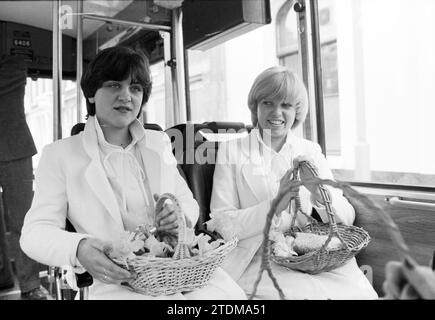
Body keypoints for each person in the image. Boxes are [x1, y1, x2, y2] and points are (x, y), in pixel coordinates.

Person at [20, 46, 246, 300]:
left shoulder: (159, 142)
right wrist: (79, 248)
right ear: (92, 93)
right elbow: (34, 233)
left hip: (180, 268)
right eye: (115, 85)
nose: (126, 96)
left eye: (135, 88)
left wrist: (178, 217)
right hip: (115, 278)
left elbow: (188, 204)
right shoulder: (60, 155)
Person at [209, 66, 378, 299]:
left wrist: (321, 194)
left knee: (361, 294)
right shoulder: (231, 151)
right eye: (268, 103)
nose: (276, 113)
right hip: (258, 259)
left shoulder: (309, 150)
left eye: (286, 105)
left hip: (314, 257)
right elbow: (221, 223)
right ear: (255, 106)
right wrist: (274, 206)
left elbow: (346, 217)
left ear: (296, 110)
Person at [0, 54, 51, 300]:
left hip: (15, 146)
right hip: (15, 145)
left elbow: (11, 80)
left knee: (24, 220)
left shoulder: (12, 60)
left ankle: (30, 285)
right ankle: (3, 276)